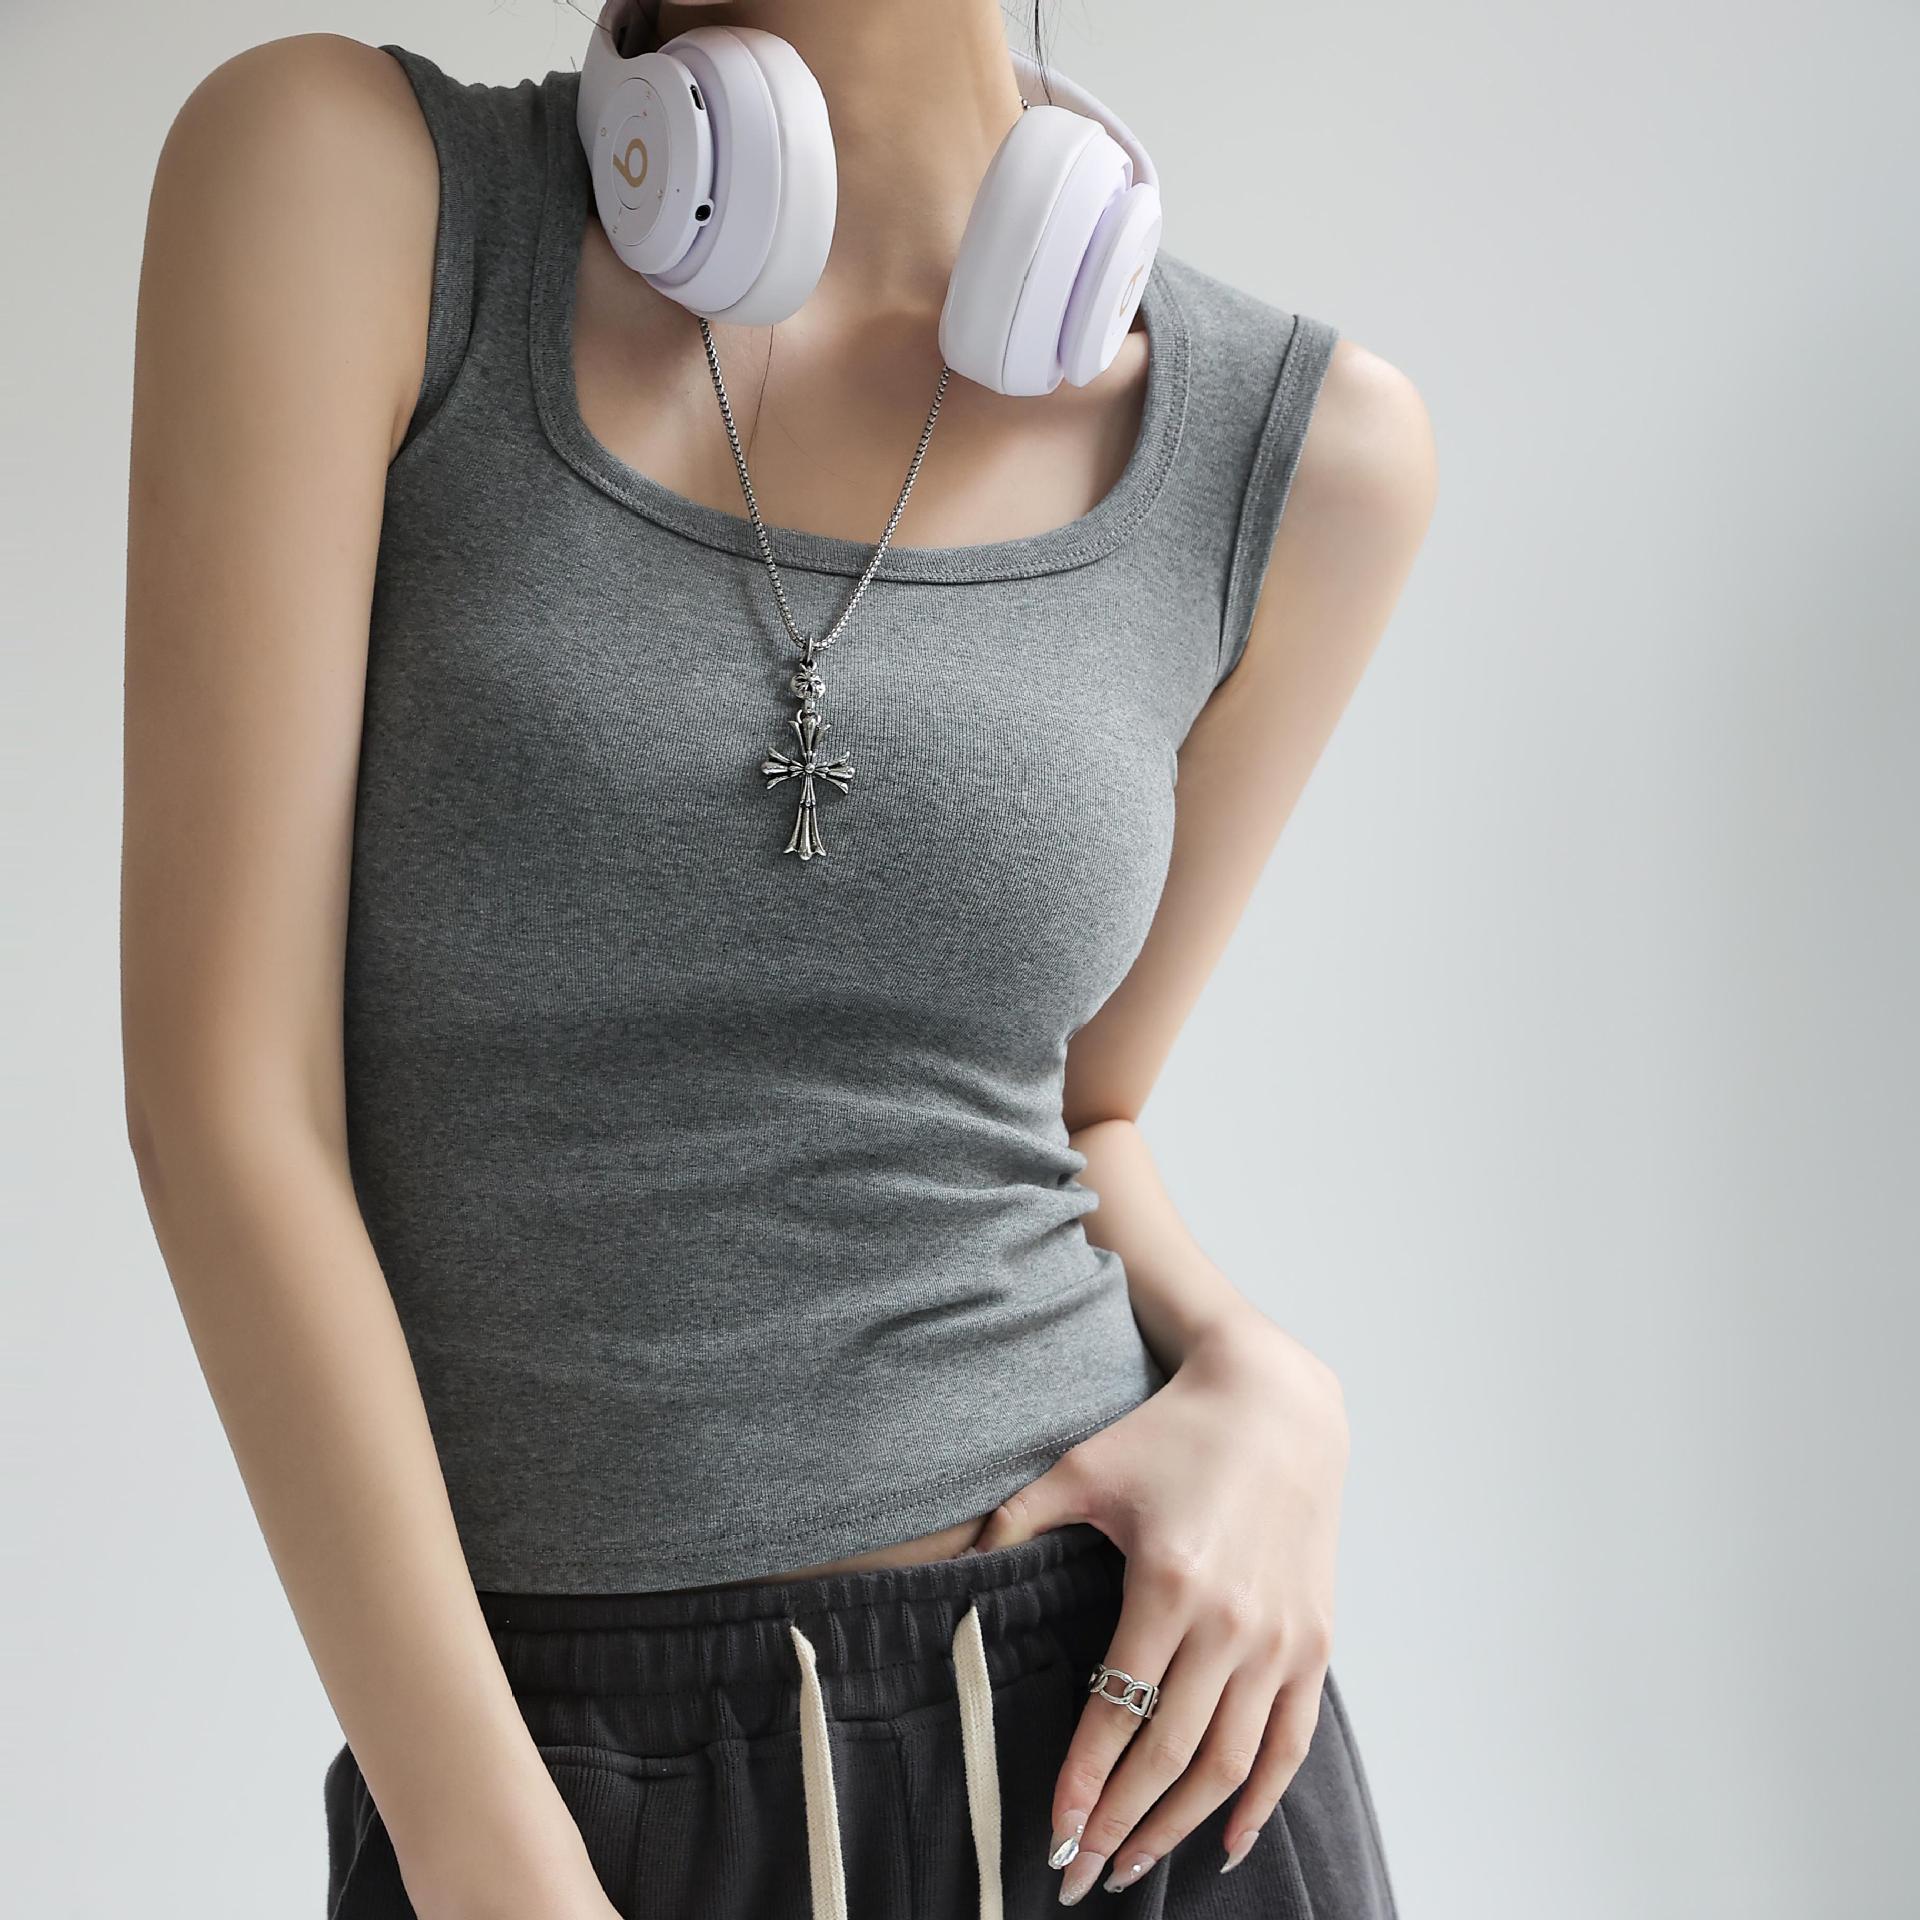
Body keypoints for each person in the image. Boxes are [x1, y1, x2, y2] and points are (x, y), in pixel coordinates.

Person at [121, 0, 1436, 1912]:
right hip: (549, 1790)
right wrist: (493, 1858)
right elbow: (224, 1106)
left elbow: (1087, 1109)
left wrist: (1267, 1385)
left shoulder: (1305, 457)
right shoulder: (345, 188)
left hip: (1123, 1761)